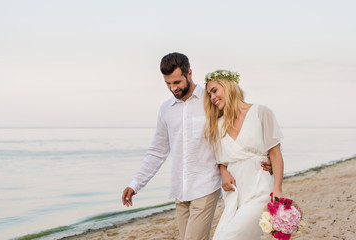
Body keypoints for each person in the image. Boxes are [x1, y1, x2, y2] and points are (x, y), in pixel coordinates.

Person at [122, 53, 272, 240]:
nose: (173, 88)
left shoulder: (211, 101)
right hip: (180, 189)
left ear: (189, 73)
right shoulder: (166, 109)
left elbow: (238, 130)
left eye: (177, 82)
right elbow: (157, 151)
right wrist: (136, 184)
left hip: (206, 185)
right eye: (168, 83)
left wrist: (268, 157)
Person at [203, 70, 284, 240]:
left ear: (229, 86)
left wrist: (277, 189)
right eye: (209, 94)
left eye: (214, 90)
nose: (212, 98)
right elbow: (222, 159)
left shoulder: (261, 112)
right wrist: (223, 173)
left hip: (259, 188)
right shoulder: (217, 125)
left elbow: (275, 153)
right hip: (234, 193)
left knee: (227, 237)